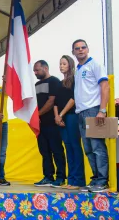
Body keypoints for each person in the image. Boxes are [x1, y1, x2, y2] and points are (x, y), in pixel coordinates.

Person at [72, 39, 110, 192]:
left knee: (97, 146)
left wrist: (102, 110)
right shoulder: (79, 69)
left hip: (93, 110)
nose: (80, 50)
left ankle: (102, 180)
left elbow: (105, 86)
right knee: (88, 149)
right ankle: (95, 180)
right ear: (73, 52)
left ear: (87, 49)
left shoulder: (95, 65)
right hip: (81, 112)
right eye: (77, 48)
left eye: (83, 47)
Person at [53, 55, 86, 190]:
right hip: (60, 119)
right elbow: (55, 102)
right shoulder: (60, 83)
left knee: (75, 146)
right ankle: (71, 179)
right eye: (60, 64)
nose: (61, 66)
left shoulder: (75, 80)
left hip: (71, 116)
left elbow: (73, 99)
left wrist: (61, 114)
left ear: (70, 65)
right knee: (67, 147)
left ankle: (79, 180)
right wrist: (57, 117)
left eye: (64, 64)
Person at [33, 60, 66, 187]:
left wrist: (38, 115)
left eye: (37, 70)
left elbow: (51, 101)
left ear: (45, 68)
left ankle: (61, 177)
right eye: (34, 71)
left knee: (57, 150)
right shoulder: (36, 84)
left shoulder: (54, 81)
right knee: (44, 151)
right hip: (40, 125)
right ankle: (48, 176)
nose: (35, 73)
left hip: (53, 123)